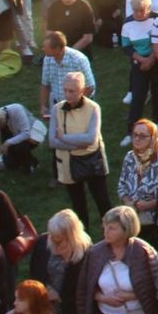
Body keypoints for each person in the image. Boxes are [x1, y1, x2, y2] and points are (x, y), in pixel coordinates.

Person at [49, 72, 110, 223]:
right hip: (69, 163)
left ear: (82, 91)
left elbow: (91, 139)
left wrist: (64, 138)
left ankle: (112, 234)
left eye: (72, 91)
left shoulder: (93, 108)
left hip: (93, 161)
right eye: (65, 90)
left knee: (103, 202)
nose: (67, 94)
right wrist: (79, 142)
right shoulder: (57, 109)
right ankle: (83, 241)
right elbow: (51, 141)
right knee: (78, 205)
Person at [118, 119, 158, 256]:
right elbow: (121, 186)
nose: (137, 139)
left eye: (142, 136)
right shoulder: (129, 158)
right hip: (135, 221)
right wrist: (128, 202)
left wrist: (151, 204)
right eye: (135, 134)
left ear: (153, 138)